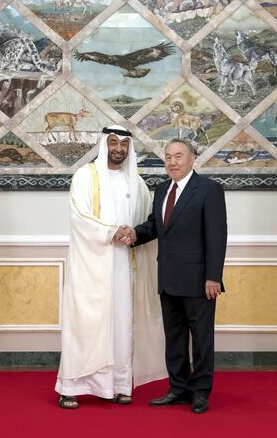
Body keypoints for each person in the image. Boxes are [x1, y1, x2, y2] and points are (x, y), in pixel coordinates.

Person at [55, 125, 166, 409]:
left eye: (124, 144)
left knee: (121, 324)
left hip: (125, 268)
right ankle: (72, 386)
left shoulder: (136, 183)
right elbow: (79, 216)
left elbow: (146, 222)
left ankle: (118, 385)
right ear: (105, 144)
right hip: (91, 266)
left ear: (129, 148)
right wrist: (112, 232)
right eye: (113, 142)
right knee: (86, 324)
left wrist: (133, 234)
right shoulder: (84, 176)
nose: (119, 149)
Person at [118, 138, 227, 414]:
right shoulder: (162, 188)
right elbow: (156, 225)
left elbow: (217, 235)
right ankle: (178, 388)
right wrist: (134, 234)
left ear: (192, 158)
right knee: (174, 338)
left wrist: (213, 276)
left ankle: (200, 392)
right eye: (168, 157)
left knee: (202, 339)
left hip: (199, 280)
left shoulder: (208, 190)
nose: (172, 162)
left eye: (178, 156)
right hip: (167, 277)